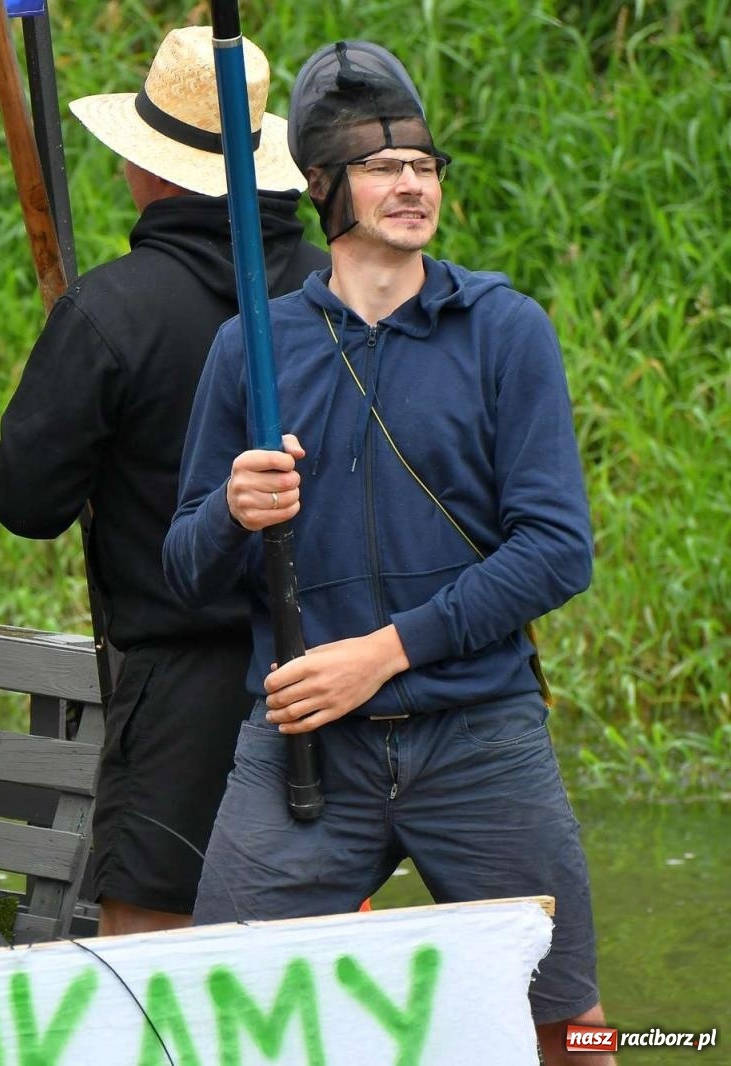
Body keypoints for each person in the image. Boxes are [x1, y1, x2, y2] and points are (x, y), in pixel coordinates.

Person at [165, 40, 607, 1061]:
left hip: (479, 735)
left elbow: (556, 549)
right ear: (322, 188)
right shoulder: (253, 349)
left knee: (569, 1021)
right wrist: (233, 508)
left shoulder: (504, 329)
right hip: (304, 754)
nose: (411, 183)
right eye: (379, 164)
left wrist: (385, 651)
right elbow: (182, 567)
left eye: (423, 164)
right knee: (212, 1006)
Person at [0, 26, 327, 935]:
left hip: (180, 684)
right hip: (329, 671)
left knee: (146, 951)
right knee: (306, 950)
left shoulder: (113, 309)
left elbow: (25, 501)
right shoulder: (338, 293)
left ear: (149, 171)